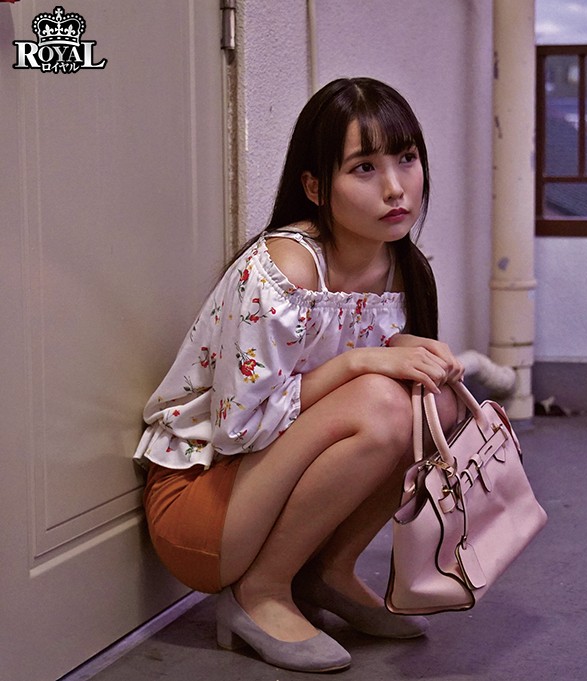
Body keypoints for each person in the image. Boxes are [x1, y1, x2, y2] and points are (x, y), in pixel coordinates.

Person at [134, 77, 464, 673]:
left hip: (267, 491)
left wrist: (401, 351)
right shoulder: (283, 270)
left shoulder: (403, 268)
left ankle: (327, 573)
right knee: (380, 402)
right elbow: (241, 429)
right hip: (205, 501)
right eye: (364, 168)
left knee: (433, 401)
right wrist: (361, 361)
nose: (396, 187)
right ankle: (259, 592)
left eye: (407, 158)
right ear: (314, 187)